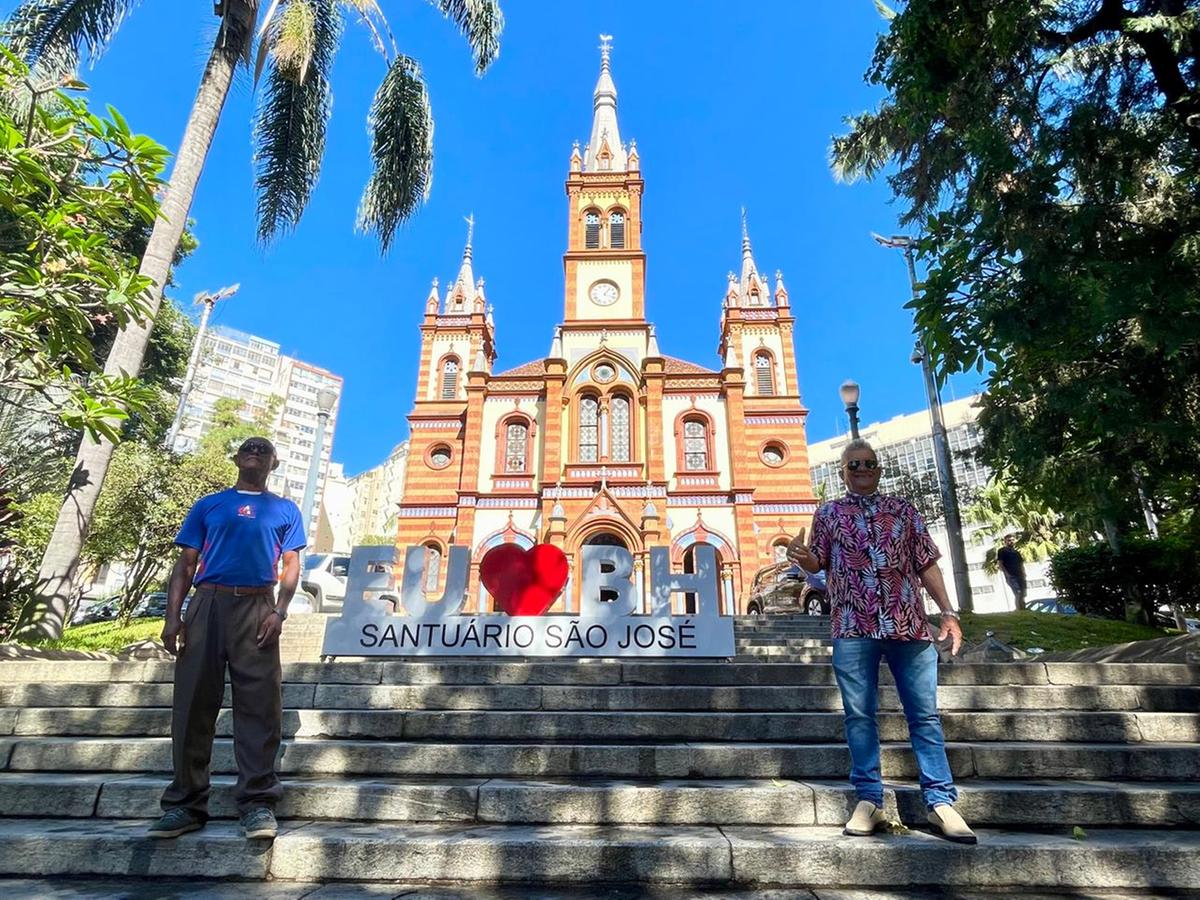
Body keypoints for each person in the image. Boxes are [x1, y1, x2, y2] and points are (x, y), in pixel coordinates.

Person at [787, 438, 976, 845]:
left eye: (868, 463)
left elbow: (926, 564)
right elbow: (817, 560)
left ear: (878, 469)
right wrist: (804, 560)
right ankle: (869, 799)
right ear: (843, 472)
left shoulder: (904, 511)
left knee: (924, 716)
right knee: (859, 717)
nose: (861, 469)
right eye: (853, 465)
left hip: (908, 626)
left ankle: (941, 801)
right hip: (853, 627)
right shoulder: (829, 513)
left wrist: (948, 612)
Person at [147, 437, 305, 842]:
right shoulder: (208, 505)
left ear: (274, 462)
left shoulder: (285, 510)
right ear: (236, 459)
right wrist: (173, 617)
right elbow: (184, 564)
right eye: (247, 447)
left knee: (259, 706)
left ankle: (256, 803)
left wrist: (279, 612)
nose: (254, 450)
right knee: (192, 703)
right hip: (208, 604)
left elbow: (291, 565)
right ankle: (184, 804)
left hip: (256, 608)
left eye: (263, 449)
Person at [997, 534, 1027, 610]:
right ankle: (1018, 609)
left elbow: (1021, 564)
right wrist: (1007, 574)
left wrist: (1024, 573)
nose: (1011, 542)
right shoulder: (1002, 551)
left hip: (1020, 575)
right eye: (1009, 540)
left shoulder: (1017, 553)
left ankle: (1023, 609)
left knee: (1023, 594)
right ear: (1005, 541)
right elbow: (1000, 564)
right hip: (1011, 576)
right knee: (1018, 592)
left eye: (1013, 540)